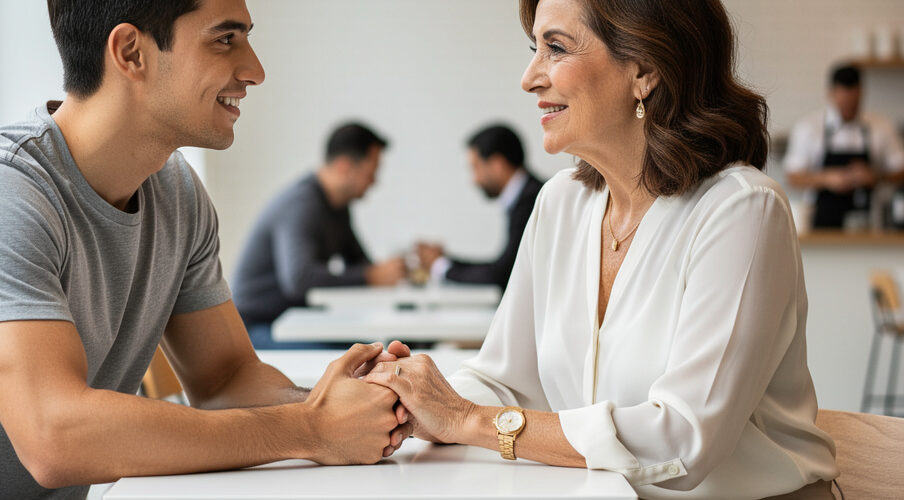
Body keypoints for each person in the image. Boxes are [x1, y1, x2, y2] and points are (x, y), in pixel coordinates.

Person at [0, 1, 413, 498]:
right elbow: (55, 436)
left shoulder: (175, 191)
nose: (255, 70)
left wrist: (366, 406)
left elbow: (226, 378)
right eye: (225, 40)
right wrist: (309, 428)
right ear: (131, 52)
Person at [364, 0, 839, 498]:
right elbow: (503, 379)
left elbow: (682, 439)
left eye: (555, 48)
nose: (529, 78)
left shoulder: (743, 210)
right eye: (536, 49)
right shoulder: (561, 203)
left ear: (646, 69)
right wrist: (405, 399)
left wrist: (468, 420)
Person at [232, 122, 406, 349]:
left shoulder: (337, 206)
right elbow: (299, 279)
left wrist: (389, 271)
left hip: (297, 322)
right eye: (371, 172)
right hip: (259, 329)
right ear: (344, 166)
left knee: (375, 348)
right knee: (361, 357)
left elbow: (359, 263)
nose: (375, 181)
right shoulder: (301, 205)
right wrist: (372, 276)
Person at [415, 124, 543, 290]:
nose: (473, 180)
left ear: (497, 165)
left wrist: (440, 267)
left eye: (475, 167)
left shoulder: (531, 200)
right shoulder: (526, 196)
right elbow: (504, 265)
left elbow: (504, 274)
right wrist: (446, 261)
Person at [784, 64, 904, 229]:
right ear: (831, 94)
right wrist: (827, 179)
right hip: (820, 225)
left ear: (862, 93)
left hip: (871, 224)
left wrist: (875, 177)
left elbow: (901, 172)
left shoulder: (881, 126)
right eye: (844, 104)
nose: (849, 109)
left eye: (854, 104)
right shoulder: (808, 127)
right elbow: (792, 177)